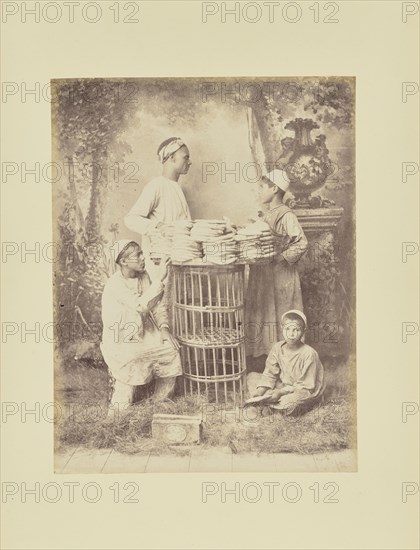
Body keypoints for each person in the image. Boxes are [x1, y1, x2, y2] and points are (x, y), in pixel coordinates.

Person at [100, 239, 181, 410]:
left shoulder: (144, 277)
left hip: (145, 332)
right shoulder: (115, 284)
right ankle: (119, 409)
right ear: (123, 261)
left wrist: (164, 329)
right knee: (131, 359)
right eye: (138, 255)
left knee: (170, 350)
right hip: (122, 337)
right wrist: (160, 279)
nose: (143, 258)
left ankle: (160, 402)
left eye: (142, 253)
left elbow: (157, 305)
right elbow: (140, 305)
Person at [245, 168, 308, 362]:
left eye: (263, 187)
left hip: (281, 275)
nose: (260, 191)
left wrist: (280, 258)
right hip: (265, 274)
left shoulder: (286, 215)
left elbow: (302, 242)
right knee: (264, 311)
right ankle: (266, 359)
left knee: (281, 312)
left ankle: (287, 359)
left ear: (274, 189)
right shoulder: (268, 214)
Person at [124, 137, 192, 262]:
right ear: (171, 158)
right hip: (159, 264)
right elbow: (131, 219)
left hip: (178, 261)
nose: (190, 162)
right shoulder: (157, 185)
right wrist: (158, 226)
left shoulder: (177, 188)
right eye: (185, 157)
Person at [246, 310, 325, 415]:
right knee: (252, 377)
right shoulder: (277, 348)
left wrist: (280, 392)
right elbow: (270, 373)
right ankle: (266, 401)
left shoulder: (309, 353)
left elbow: (306, 385)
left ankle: (272, 407)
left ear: (304, 331)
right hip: (284, 385)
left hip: (303, 389)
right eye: (287, 329)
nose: (291, 334)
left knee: (291, 401)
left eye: (296, 330)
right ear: (282, 329)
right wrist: (260, 390)